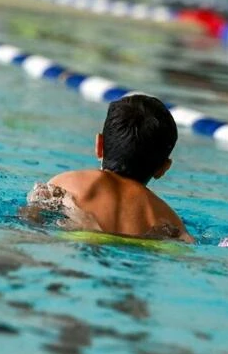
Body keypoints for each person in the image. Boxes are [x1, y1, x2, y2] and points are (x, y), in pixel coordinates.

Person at [26, 93, 194, 242]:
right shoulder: (168, 219)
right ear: (163, 168)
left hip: (79, 243)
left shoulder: (67, 183)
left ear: (99, 145)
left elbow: (30, 220)